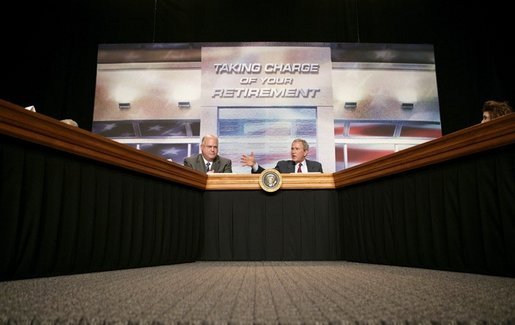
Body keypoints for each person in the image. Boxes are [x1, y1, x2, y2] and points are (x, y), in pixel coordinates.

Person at [241, 138, 323, 173]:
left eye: (297, 149)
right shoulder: (282, 165)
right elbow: (268, 175)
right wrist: (255, 165)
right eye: (292, 149)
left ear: (305, 152)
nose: (293, 152)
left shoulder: (316, 166)